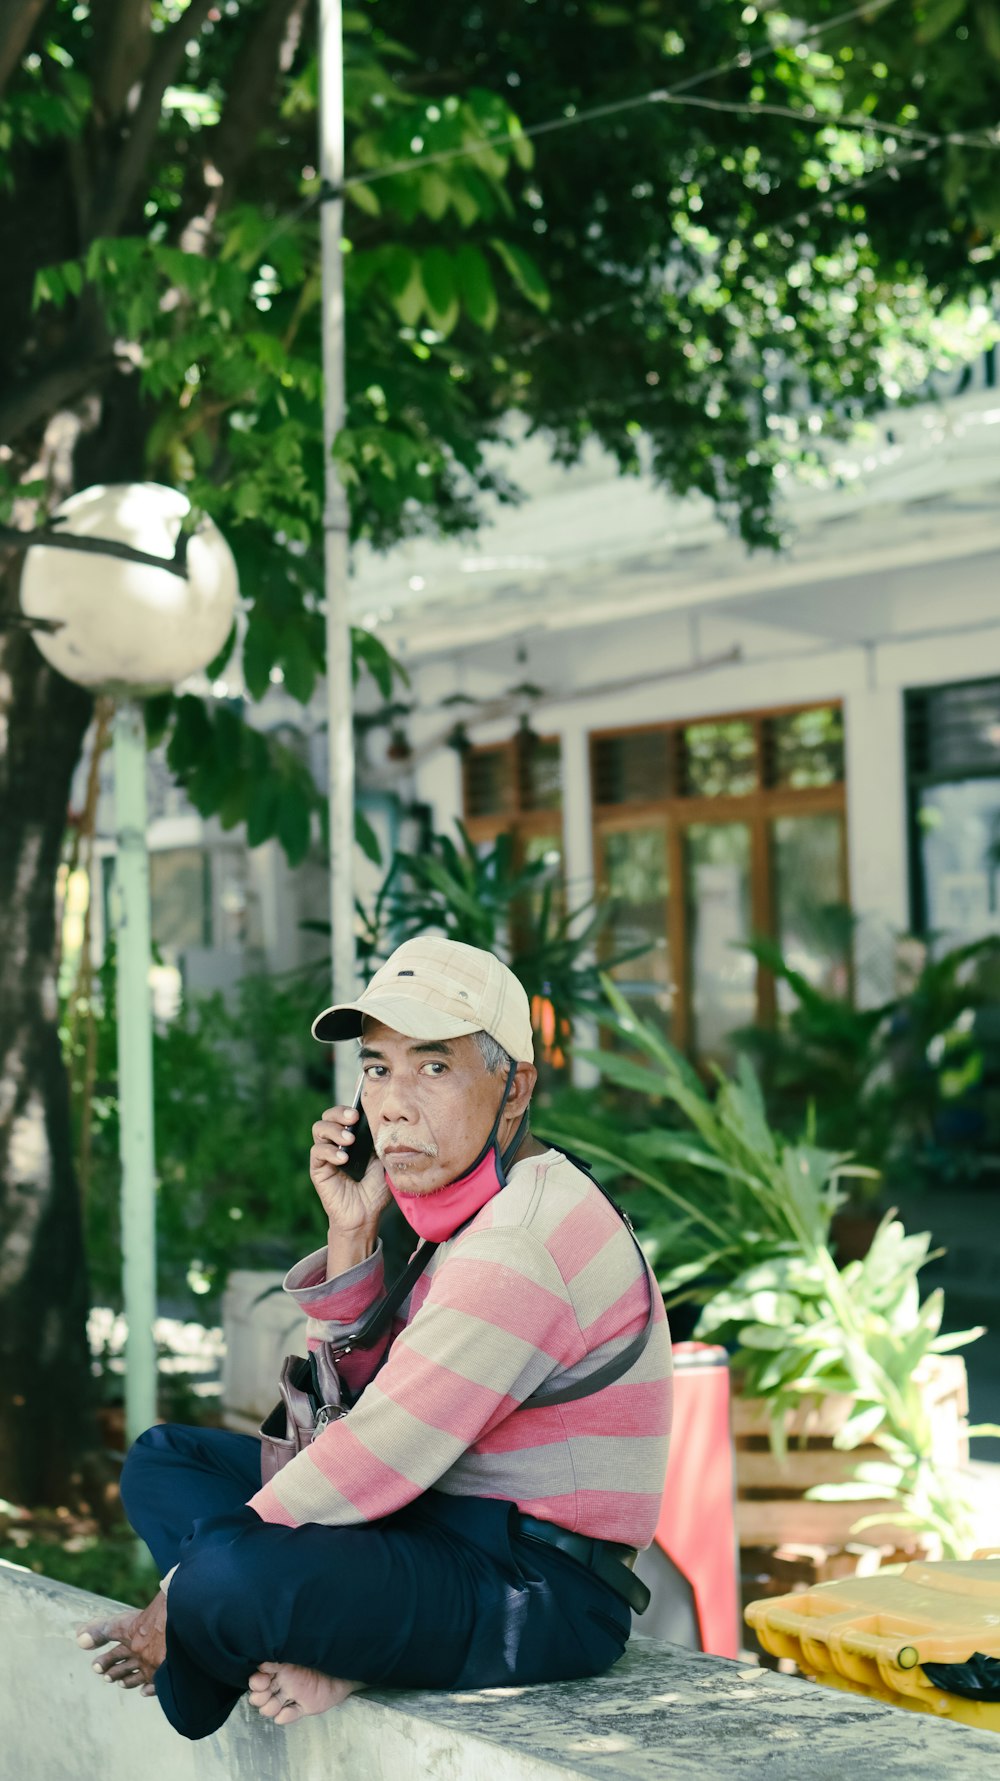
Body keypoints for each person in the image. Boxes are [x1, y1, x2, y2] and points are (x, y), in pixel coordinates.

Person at [78, 937, 673, 1740]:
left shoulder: (518, 1243)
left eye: (433, 1067)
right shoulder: (467, 1209)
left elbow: (371, 1451)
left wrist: (175, 1595)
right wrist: (352, 1230)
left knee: (223, 1575)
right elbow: (341, 1415)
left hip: (541, 1589)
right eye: (378, 1066)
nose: (392, 1103)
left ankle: (221, 1659)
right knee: (164, 1461)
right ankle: (319, 1644)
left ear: (514, 1087)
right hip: (438, 1523)